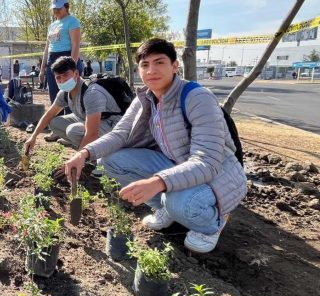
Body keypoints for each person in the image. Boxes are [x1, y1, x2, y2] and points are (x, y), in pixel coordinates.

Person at [64, 38, 247, 254]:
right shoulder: (146, 97)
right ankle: (165, 208)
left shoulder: (197, 98)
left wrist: (158, 182)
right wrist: (85, 153)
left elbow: (207, 162)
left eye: (159, 62)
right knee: (108, 161)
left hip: (216, 174)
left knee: (179, 202)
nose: (151, 70)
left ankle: (211, 225)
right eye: (145, 65)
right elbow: (120, 134)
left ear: (174, 66)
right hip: (175, 163)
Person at [24, 56, 122, 153]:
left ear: (76, 73)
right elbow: (50, 114)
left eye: (66, 75)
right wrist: (33, 137)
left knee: (74, 131)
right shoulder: (65, 92)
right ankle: (87, 150)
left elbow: (92, 132)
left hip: (114, 127)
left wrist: (77, 159)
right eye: (58, 77)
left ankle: (95, 155)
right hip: (90, 120)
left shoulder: (91, 93)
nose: (62, 81)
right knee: (54, 122)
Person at [39, 0, 82, 141]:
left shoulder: (72, 21)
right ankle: (56, 129)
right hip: (52, 59)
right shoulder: (52, 25)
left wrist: (72, 66)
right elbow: (47, 47)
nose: (55, 11)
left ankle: (69, 132)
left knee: (70, 95)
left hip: (66, 59)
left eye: (58, 8)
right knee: (54, 95)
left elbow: (76, 45)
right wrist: (43, 67)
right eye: (53, 8)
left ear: (67, 7)